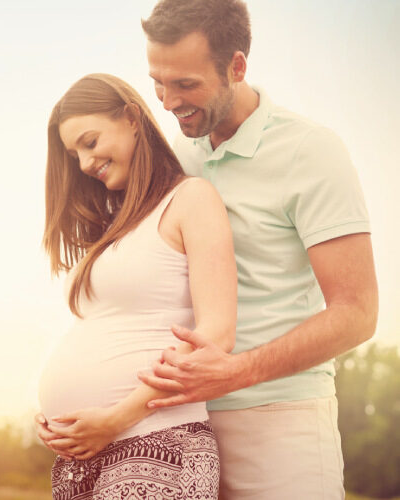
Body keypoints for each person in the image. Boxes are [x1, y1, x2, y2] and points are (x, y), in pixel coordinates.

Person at [134, 0, 379, 499]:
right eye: (159, 81)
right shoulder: (177, 156)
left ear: (237, 66)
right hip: (184, 426)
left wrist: (236, 373)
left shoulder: (310, 150)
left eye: (185, 84)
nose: (166, 100)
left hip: (282, 423)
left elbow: (358, 312)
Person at [35, 73, 237, 499]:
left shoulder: (191, 199)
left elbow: (216, 334)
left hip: (158, 443)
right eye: (75, 155)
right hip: (86, 457)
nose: (85, 163)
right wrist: (61, 421)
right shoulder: (116, 227)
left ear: (130, 118)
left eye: (89, 143)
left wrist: (115, 418)